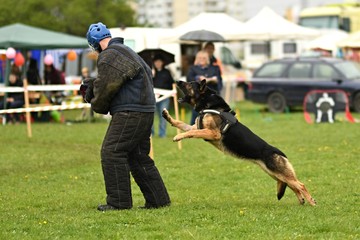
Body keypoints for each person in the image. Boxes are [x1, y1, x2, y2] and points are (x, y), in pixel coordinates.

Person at [84, 22, 170, 211]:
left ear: (95, 44)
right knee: (138, 156)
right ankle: (158, 199)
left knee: (112, 151)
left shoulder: (109, 56)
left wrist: (94, 100)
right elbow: (117, 81)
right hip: (145, 110)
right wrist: (94, 85)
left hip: (131, 112)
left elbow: (107, 87)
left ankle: (118, 202)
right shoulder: (128, 52)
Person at [187, 50, 222, 124]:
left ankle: (211, 129)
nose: (202, 60)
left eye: (204, 58)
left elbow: (219, 80)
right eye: (200, 58)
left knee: (212, 115)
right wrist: (198, 78)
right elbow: (189, 80)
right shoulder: (192, 68)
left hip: (211, 96)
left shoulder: (215, 68)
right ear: (197, 59)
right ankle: (193, 130)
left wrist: (215, 80)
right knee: (196, 115)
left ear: (207, 59)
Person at [152, 54, 174, 138]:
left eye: (159, 62)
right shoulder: (150, 72)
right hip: (153, 97)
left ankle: (162, 133)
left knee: (163, 115)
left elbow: (172, 83)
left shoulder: (167, 72)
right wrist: (151, 75)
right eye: (156, 62)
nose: (157, 63)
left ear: (162, 62)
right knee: (151, 116)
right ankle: (151, 133)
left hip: (164, 97)